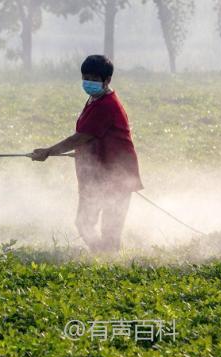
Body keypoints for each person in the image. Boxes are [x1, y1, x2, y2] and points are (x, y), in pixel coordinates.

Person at [31, 55, 143, 253]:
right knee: (84, 222)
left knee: (110, 229)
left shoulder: (107, 105)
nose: (88, 82)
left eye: (93, 78)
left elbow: (81, 137)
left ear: (107, 80)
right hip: (98, 173)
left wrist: (48, 152)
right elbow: (95, 137)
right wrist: (84, 153)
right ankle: (102, 256)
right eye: (85, 77)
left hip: (117, 175)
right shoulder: (95, 99)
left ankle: (108, 260)